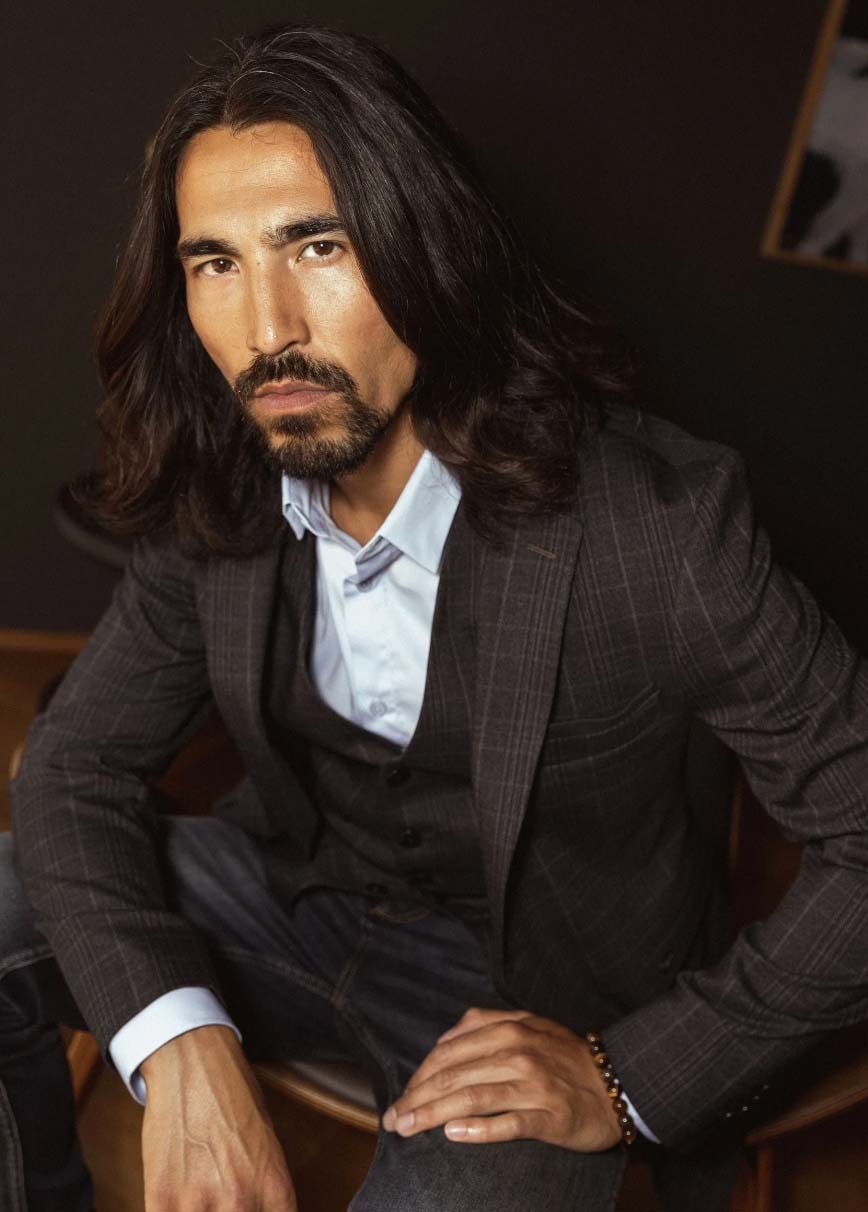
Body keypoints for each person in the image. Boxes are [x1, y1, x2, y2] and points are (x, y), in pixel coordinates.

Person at [5, 23, 868, 1212]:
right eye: (215, 263)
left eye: (320, 245)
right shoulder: (227, 484)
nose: (266, 329)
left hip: (544, 998)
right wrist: (176, 1036)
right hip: (292, 901)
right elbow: (73, 767)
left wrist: (626, 1078)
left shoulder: (658, 529)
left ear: (427, 245)